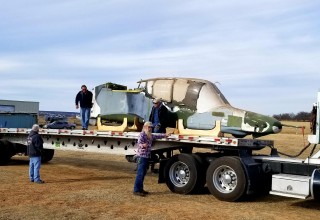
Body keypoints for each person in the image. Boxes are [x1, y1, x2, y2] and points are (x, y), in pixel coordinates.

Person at [133, 121, 169, 197]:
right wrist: (143, 145)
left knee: (143, 173)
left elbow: (157, 136)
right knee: (140, 173)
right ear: (145, 127)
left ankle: (140, 189)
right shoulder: (142, 134)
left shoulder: (150, 135)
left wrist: (165, 135)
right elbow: (139, 144)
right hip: (142, 156)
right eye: (149, 127)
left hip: (146, 157)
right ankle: (136, 190)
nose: (150, 129)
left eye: (151, 127)